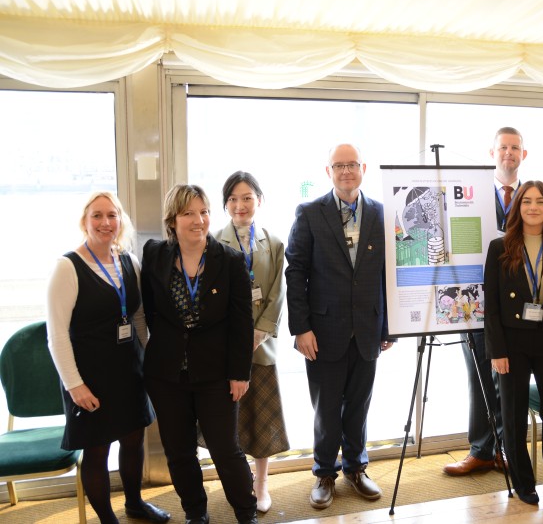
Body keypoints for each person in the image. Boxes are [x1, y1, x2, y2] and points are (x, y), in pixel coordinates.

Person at [45, 192, 170, 524]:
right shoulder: (67, 267)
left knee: (133, 440)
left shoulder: (129, 261)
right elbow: (56, 335)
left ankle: (135, 504)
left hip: (129, 371)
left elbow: (140, 319)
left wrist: (150, 365)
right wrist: (75, 386)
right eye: (97, 216)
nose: (105, 223)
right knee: (97, 450)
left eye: (112, 215)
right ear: (84, 221)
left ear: (121, 221)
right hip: (89, 377)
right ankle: (107, 519)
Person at [285, 143, 393, 510]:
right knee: (327, 408)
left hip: (367, 329)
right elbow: (295, 272)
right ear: (328, 171)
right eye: (338, 166)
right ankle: (324, 473)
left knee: (359, 405)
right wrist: (301, 328)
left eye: (352, 165)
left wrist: (388, 326)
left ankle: (356, 468)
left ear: (363, 168)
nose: (346, 171)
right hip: (322, 332)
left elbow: (387, 274)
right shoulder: (310, 212)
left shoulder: (380, 213)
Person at [141, 184, 257, 524]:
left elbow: (242, 322)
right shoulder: (154, 254)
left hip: (217, 375)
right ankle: (195, 512)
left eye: (204, 211)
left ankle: (245, 512)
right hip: (167, 375)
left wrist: (240, 373)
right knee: (178, 452)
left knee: (225, 450)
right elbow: (149, 311)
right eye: (189, 213)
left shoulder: (230, 260)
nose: (199, 220)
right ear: (172, 220)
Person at [484, 181, 543, 507]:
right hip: (512, 344)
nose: (533, 207)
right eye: (527, 202)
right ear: (517, 207)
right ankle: (524, 482)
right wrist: (497, 351)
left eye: (540, 202)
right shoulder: (499, 248)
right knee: (513, 415)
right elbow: (491, 305)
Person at [444, 126, 526, 476]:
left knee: (511, 378)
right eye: (503, 147)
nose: (508, 153)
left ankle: (508, 450)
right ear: (492, 154)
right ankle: (480, 449)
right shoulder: (470, 193)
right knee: (478, 375)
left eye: (515, 148)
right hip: (474, 299)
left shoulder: (534, 197)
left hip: (521, 305)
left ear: (524, 154)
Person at [209, 171, 290, 513]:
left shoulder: (272, 242)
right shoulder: (214, 242)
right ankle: (235, 482)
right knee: (230, 420)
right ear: (225, 204)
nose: (240, 205)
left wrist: (260, 332)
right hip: (227, 347)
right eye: (233, 199)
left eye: (247, 198)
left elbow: (276, 292)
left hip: (261, 345)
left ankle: (261, 484)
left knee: (261, 417)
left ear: (259, 200)